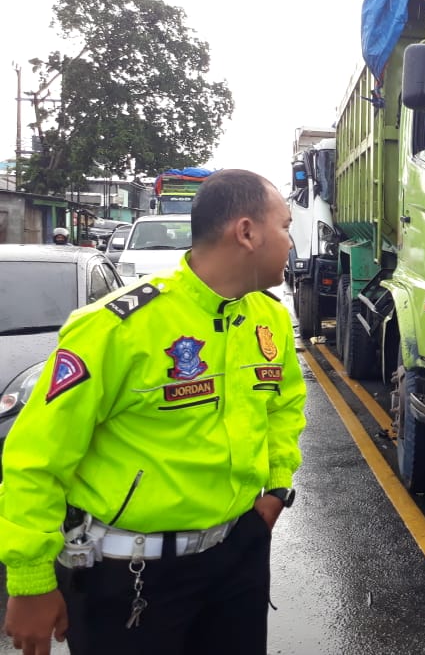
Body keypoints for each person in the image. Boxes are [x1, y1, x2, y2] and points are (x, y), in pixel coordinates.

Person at [0, 169, 307, 655]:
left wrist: (275, 487)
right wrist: (31, 579)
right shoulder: (117, 328)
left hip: (238, 563)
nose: (291, 242)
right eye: (286, 226)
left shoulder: (267, 317)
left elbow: (284, 407)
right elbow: (35, 458)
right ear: (247, 233)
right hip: (130, 578)